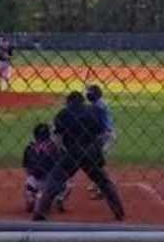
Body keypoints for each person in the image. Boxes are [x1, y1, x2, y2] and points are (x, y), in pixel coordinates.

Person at [32, 92, 125, 221]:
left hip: (72, 151)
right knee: (103, 181)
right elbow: (103, 134)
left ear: (69, 101)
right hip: (91, 151)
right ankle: (119, 212)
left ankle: (40, 212)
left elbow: (58, 137)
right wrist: (98, 150)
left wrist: (62, 152)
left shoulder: (64, 113)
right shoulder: (95, 111)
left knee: (54, 180)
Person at [22, 123, 70, 213]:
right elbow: (63, 166)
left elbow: (27, 168)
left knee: (28, 183)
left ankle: (31, 196)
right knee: (68, 184)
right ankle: (59, 198)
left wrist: (32, 175)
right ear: (48, 134)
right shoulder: (56, 147)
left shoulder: (29, 147)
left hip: (34, 181)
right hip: (51, 182)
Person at [85, 84, 115, 200]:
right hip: (102, 136)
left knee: (98, 161)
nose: (88, 95)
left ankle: (102, 188)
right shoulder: (97, 103)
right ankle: (97, 182)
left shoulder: (99, 106)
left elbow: (90, 114)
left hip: (106, 136)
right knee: (96, 160)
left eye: (90, 93)